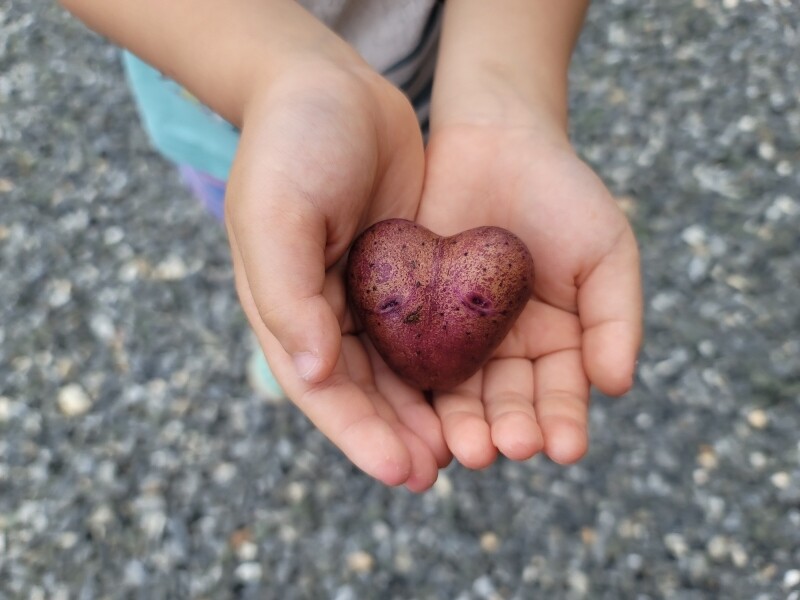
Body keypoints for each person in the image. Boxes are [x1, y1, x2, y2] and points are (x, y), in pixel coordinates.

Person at [59, 0, 643, 493]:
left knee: (295, 258)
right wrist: (279, 75)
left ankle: (303, 322)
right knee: (273, 234)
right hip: (222, 98)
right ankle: (295, 317)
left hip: (445, 78)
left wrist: (511, 99)